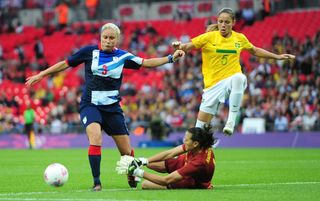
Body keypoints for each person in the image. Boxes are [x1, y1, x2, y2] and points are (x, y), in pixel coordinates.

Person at [25, 22, 185, 191]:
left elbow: (147, 62)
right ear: (101, 38)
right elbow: (65, 63)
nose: (108, 41)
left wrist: (170, 58)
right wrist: (41, 74)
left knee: (126, 152)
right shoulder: (89, 52)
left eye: (111, 38)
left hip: (112, 109)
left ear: (117, 39)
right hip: (90, 105)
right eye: (105, 37)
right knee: (95, 138)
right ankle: (97, 182)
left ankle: (131, 173)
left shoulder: (124, 57)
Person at [172, 8, 295, 135]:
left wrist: (277, 56)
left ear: (233, 23)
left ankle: (230, 122)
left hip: (230, 80)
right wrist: (179, 47)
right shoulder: (208, 37)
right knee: (198, 133)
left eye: (227, 22)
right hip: (212, 87)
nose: (223, 25)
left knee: (240, 78)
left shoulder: (239, 38)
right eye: (220, 22)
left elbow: (255, 50)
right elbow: (187, 46)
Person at [116, 124, 216, 189]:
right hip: (185, 162)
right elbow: (170, 153)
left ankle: (136, 172)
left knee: (145, 185)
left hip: (191, 181)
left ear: (195, 143)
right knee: (150, 164)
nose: (184, 141)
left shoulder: (199, 162)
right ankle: (138, 167)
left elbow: (165, 180)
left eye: (186, 139)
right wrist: (144, 161)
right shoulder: (198, 145)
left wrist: (137, 172)